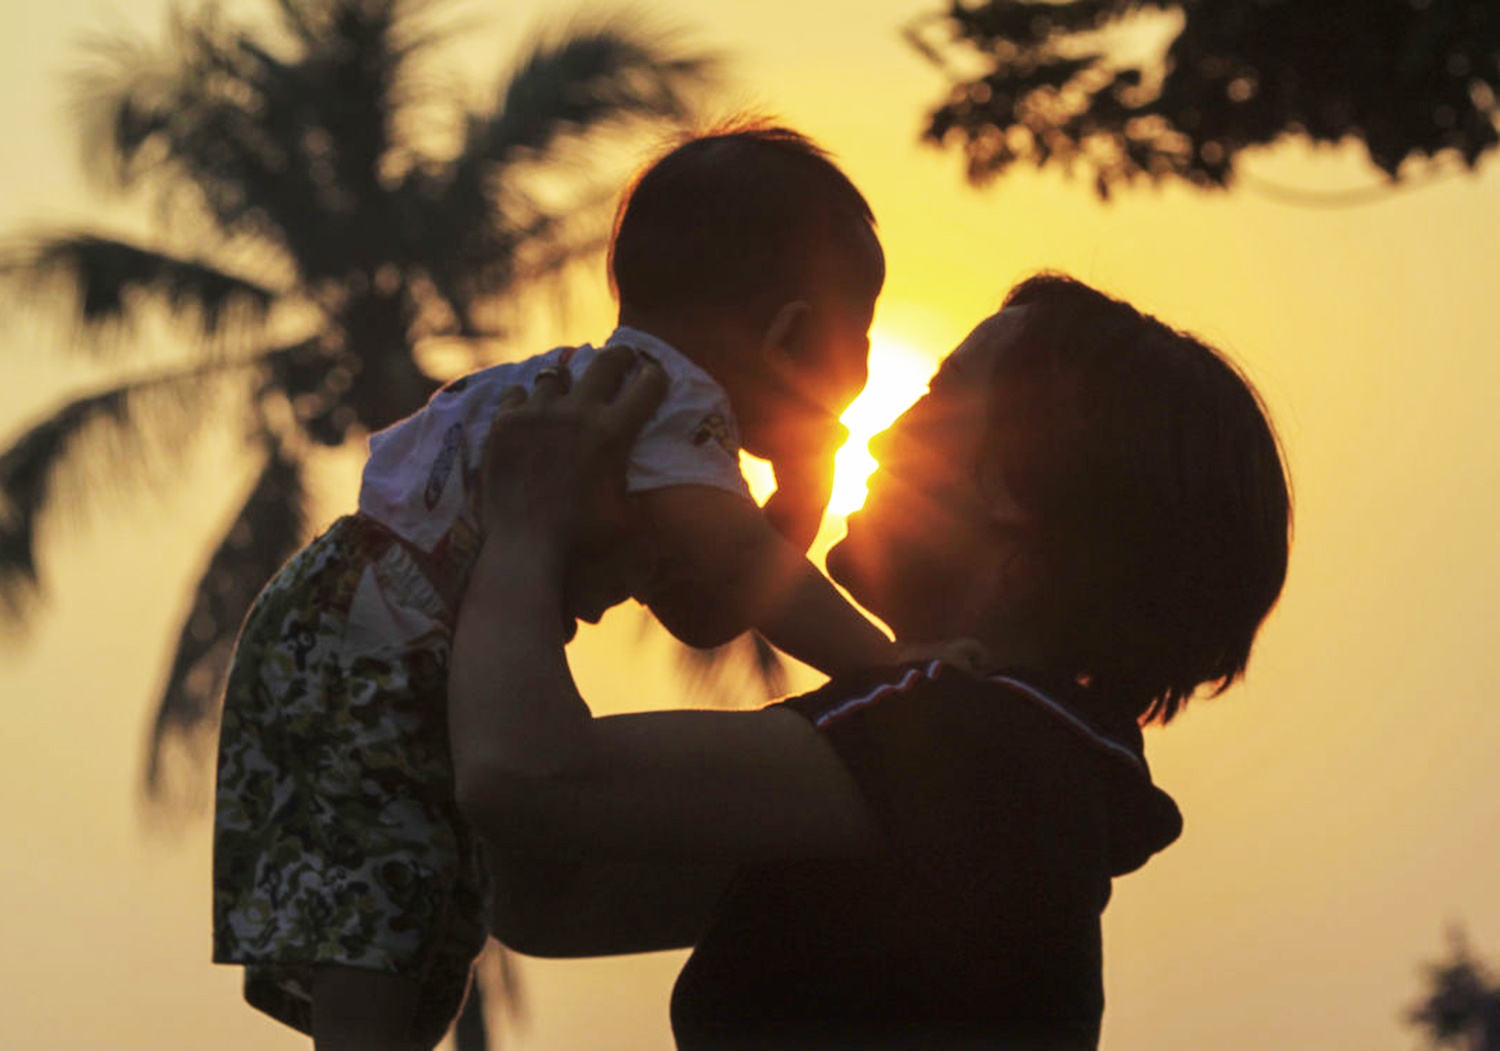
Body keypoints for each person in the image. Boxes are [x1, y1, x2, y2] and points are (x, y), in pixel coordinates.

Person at [212, 123, 921, 1050]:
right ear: (791, 332)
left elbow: (709, 611)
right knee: (387, 880)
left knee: (409, 884)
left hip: (348, 623)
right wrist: (904, 674)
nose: (864, 371)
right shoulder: (671, 401)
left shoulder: (649, 415)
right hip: (377, 635)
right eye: (858, 335)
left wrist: (800, 492)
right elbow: (745, 573)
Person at [448, 273, 1293, 1049]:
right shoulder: (1016, 772)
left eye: (940, 397)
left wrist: (523, 528)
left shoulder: (969, 740)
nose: (883, 436)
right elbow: (549, 886)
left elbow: (525, 781)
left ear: (1018, 497)